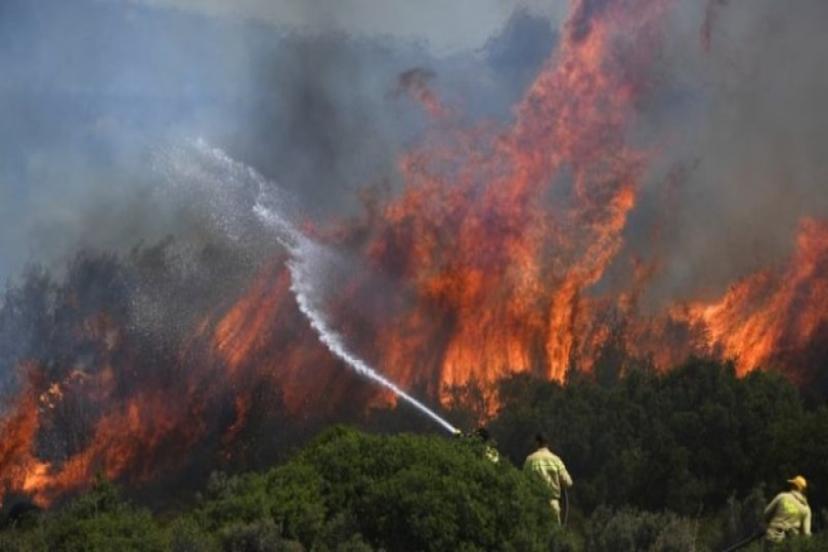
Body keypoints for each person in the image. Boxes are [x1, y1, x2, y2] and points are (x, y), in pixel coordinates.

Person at [523, 433, 572, 524]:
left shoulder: (530, 460)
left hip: (535, 504)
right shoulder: (556, 460)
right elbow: (568, 482)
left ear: (537, 443)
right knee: (553, 535)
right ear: (548, 443)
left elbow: (523, 482)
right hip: (552, 504)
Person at [763, 475, 811, 544]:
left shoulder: (782, 496)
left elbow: (766, 514)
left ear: (794, 486)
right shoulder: (806, 509)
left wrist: (769, 525)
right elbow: (806, 534)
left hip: (772, 536)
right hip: (790, 543)